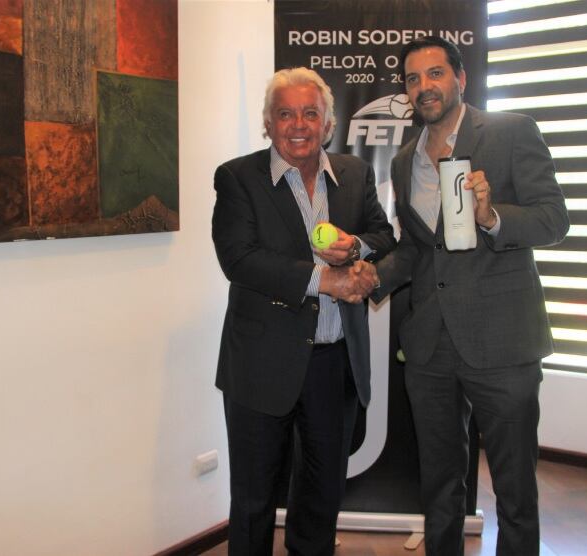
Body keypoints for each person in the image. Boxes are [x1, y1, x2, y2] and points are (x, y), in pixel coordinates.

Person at [371, 37, 569, 555]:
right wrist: (369, 278)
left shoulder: (511, 132)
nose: (424, 86)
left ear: (460, 78)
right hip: (430, 347)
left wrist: (493, 216)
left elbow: (554, 219)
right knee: (439, 487)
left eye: (435, 73)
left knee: (515, 491)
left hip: (503, 342)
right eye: (413, 79)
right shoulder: (405, 161)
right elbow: (418, 249)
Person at [212, 67, 396, 555]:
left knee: (321, 495)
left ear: (328, 124)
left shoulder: (355, 173)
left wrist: (355, 247)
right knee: (253, 500)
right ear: (268, 123)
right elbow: (239, 259)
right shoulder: (237, 177)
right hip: (262, 363)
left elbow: (383, 235)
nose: (298, 125)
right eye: (285, 114)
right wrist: (325, 279)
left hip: (334, 365)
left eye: (310, 114)